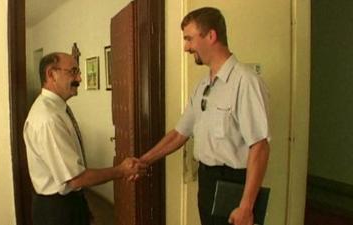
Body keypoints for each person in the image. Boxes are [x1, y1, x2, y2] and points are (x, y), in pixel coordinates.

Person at [138, 7, 270, 225]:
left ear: (211, 36)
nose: (186, 47)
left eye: (189, 39)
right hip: (207, 181)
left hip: (234, 185)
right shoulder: (202, 86)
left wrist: (246, 206)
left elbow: (260, 146)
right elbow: (179, 133)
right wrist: (144, 161)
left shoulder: (245, 82)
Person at [23, 52, 144, 225]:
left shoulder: (57, 109)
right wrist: (122, 170)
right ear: (51, 74)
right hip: (57, 211)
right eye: (73, 72)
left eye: (78, 72)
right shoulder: (48, 118)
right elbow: (75, 179)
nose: (79, 78)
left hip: (69, 201)